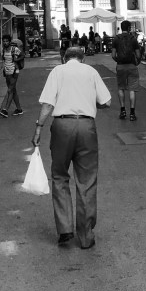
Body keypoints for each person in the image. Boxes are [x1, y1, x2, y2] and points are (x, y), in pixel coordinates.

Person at [32, 46, 111, 250]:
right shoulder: (91, 72)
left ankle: (65, 228)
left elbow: (47, 105)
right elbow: (107, 102)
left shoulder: (57, 71)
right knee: (87, 180)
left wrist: (39, 128)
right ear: (83, 59)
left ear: (63, 58)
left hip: (62, 126)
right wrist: (91, 102)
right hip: (86, 127)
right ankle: (85, 236)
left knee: (59, 175)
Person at [112, 19, 141, 121]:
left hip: (121, 66)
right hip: (132, 66)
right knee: (132, 89)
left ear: (121, 28)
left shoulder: (116, 39)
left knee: (121, 88)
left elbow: (113, 55)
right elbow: (138, 55)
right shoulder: (133, 39)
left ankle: (123, 111)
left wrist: (118, 61)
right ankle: (132, 113)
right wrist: (137, 62)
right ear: (129, 28)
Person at [0, 34, 25, 118]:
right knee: (13, 91)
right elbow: (4, 60)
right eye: (4, 41)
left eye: (7, 41)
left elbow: (23, 55)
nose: (5, 42)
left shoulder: (14, 49)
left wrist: (16, 59)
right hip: (7, 72)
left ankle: (5, 110)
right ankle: (19, 109)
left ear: (9, 42)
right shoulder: (4, 50)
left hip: (14, 71)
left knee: (10, 90)